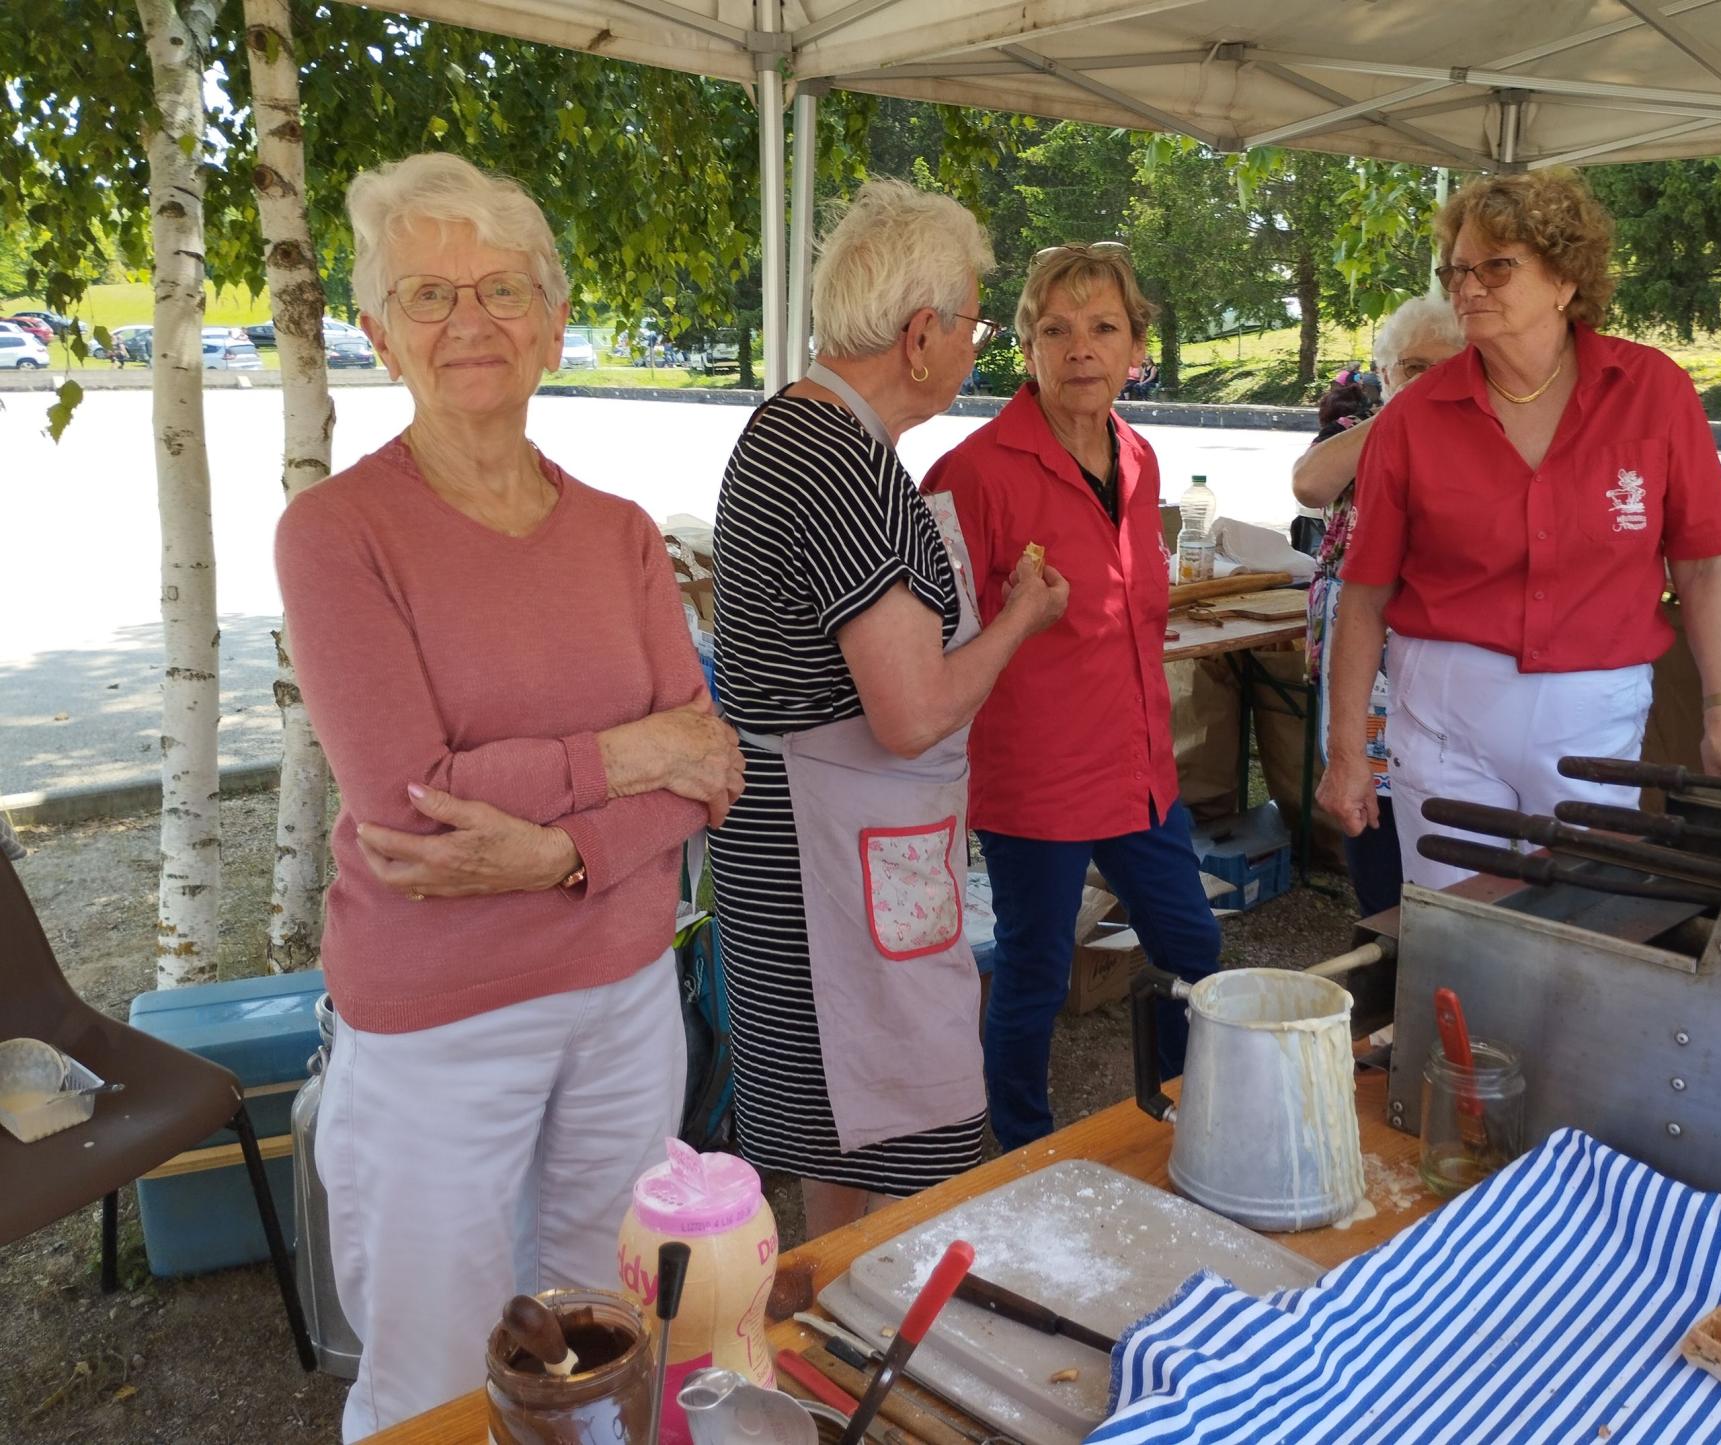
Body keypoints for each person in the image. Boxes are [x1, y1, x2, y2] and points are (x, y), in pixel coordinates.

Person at [274, 152, 744, 1440]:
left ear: (549, 320)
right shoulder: (336, 532)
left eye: (500, 288)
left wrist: (555, 850)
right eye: (428, 293)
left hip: (624, 1001)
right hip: (438, 1030)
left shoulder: (619, 530)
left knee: (598, 1340)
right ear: (378, 334)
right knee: (435, 1371)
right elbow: (409, 803)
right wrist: (629, 756)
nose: (468, 321)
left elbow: (713, 771)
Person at [708, 179, 1068, 1240]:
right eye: (972, 323)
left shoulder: (806, 433)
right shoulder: (837, 462)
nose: (974, 345)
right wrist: (1019, 619)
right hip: (826, 855)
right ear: (920, 335)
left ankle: (840, 1328)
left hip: (836, 839)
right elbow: (909, 713)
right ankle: (872, 1344)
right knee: (897, 1114)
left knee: (847, 1124)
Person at [1320, 169, 1721, 891]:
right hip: (1443, 718)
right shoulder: (1412, 416)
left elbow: (1704, 566)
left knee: (1578, 922)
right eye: (1457, 269)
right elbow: (1365, 591)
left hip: (1593, 720)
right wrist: (1346, 750)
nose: (1468, 287)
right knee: (1459, 933)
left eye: (1496, 267)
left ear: (1564, 278)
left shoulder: (1653, 391)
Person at [923, 241, 1222, 1151]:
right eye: (1056, 330)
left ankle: (1177, 1110)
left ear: (1137, 347)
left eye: (1103, 327)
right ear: (1027, 348)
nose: (1080, 348)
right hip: (1037, 778)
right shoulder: (970, 474)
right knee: (1035, 974)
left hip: (1140, 770)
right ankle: (1016, 1148)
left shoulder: (1140, 457)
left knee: (1195, 954)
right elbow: (934, 643)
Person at [1292, 296, 1464, 917]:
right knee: (1371, 819)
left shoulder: (1487, 435)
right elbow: (1310, 485)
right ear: (1384, 374)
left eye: (1451, 366)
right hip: (1362, 670)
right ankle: (1380, 939)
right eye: (1414, 368)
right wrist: (1404, 413)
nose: (1433, 381)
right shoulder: (1364, 432)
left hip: (1441, 666)